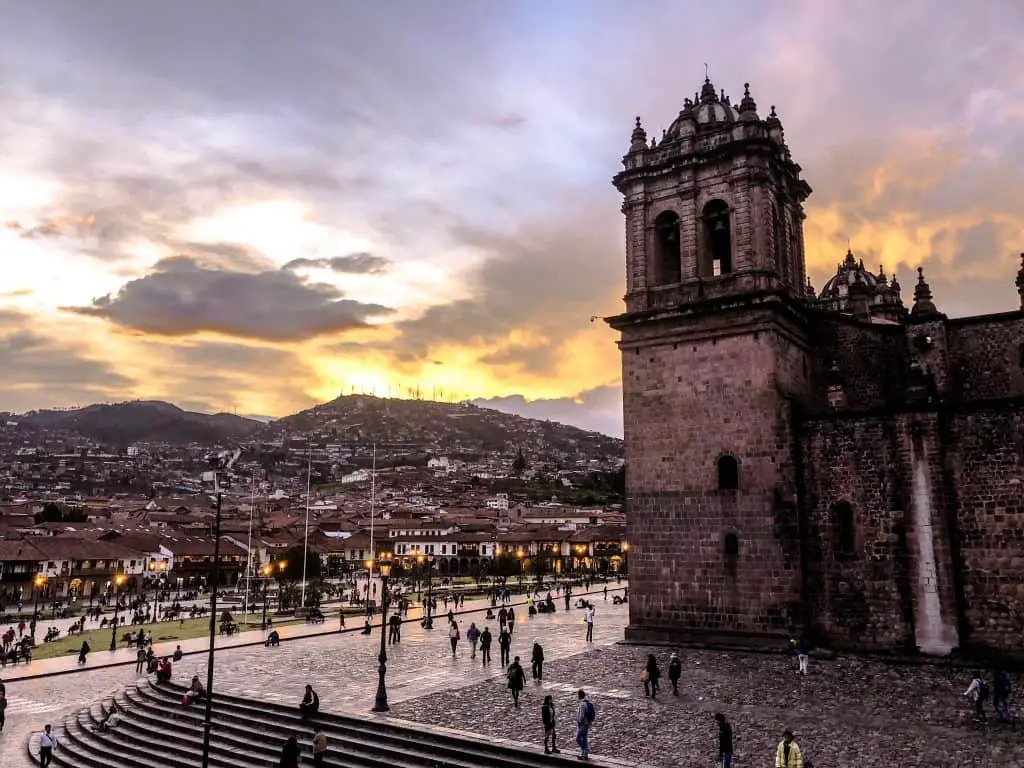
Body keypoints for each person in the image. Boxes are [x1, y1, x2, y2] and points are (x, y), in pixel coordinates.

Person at [576, 689, 595, 761]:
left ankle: (585, 750)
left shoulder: (582, 704)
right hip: (587, 724)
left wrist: (579, 722)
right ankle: (584, 755)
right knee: (584, 739)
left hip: (583, 724)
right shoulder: (587, 702)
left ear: (579, 696)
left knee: (578, 739)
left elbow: (581, 715)